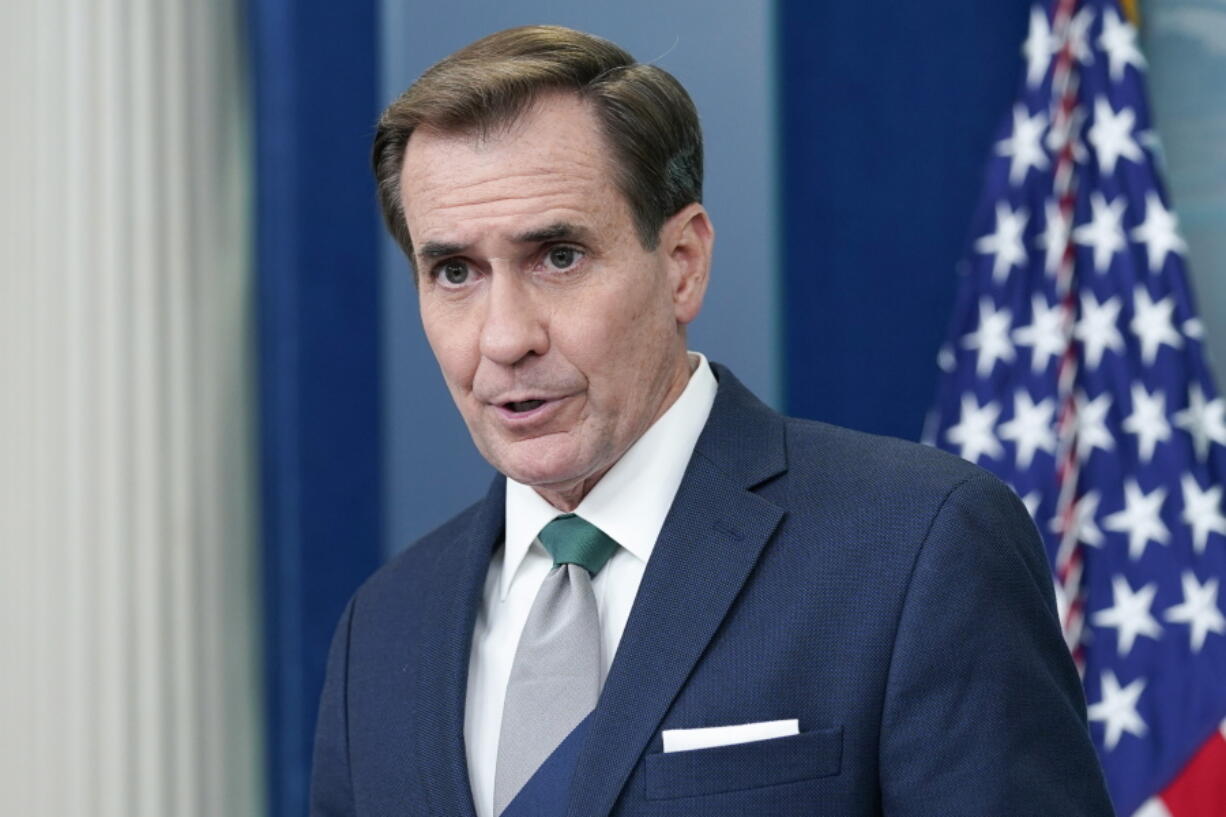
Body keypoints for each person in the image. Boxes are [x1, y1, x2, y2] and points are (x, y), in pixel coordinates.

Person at [311, 25, 1114, 817]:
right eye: (454, 271)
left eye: (558, 256)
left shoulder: (916, 548)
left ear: (683, 264)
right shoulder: (382, 631)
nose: (505, 336)